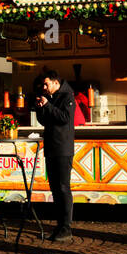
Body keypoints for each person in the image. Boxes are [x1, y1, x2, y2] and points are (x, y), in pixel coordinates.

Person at [36, 69, 76, 244]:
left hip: (63, 149)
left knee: (62, 188)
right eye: (43, 85)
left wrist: (48, 106)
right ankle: (60, 226)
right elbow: (45, 121)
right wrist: (41, 109)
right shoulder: (51, 98)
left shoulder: (67, 97)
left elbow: (65, 118)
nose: (44, 87)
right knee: (55, 189)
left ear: (56, 82)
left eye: (46, 84)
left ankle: (66, 227)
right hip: (51, 148)